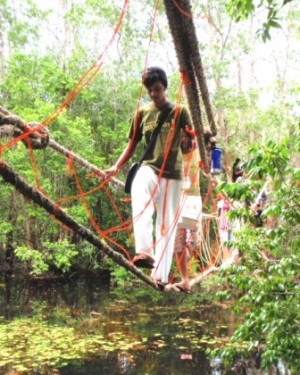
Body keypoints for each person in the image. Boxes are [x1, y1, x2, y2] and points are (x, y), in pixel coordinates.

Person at [103, 67, 193, 288]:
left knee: (166, 225)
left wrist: (193, 142)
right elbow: (132, 144)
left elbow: (190, 143)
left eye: (158, 89)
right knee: (139, 186)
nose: (154, 94)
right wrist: (116, 167)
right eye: (150, 90)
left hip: (173, 174)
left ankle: (159, 277)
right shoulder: (142, 113)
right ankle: (144, 252)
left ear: (165, 87)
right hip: (150, 168)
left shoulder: (180, 111)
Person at [172, 131, 202, 294]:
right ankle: (185, 280)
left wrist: (199, 138)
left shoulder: (197, 152)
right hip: (177, 201)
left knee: (194, 244)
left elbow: (199, 136)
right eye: (181, 136)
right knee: (178, 244)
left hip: (193, 200)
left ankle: (192, 265)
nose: (184, 139)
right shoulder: (174, 155)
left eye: (187, 136)